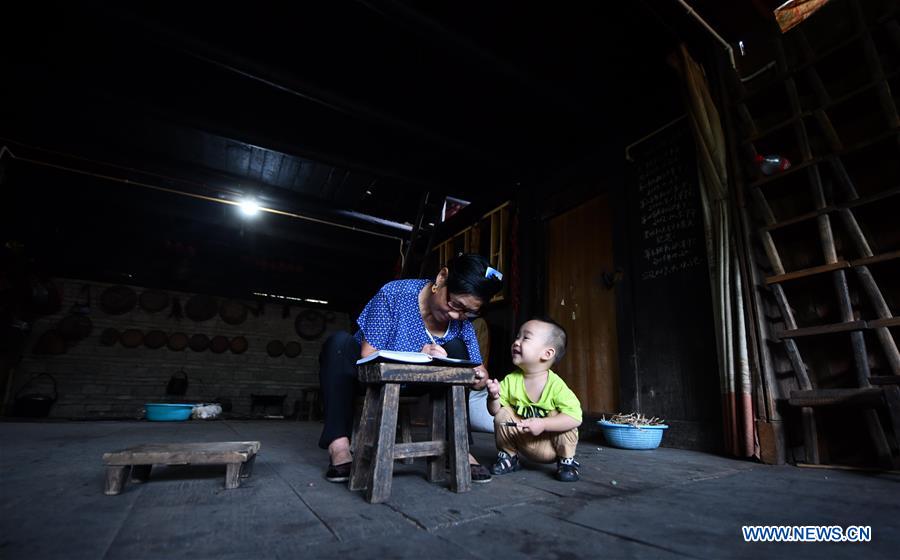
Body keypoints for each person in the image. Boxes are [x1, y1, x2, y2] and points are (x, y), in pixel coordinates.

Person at [319, 254, 503, 484]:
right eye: (454, 304)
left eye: (469, 312)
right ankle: (339, 448)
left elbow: (476, 372)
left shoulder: (461, 322)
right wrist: (418, 355)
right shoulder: (395, 294)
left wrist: (478, 377)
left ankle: (458, 447)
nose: (457, 315)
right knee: (338, 344)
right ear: (442, 277)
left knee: (456, 348)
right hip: (370, 378)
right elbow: (368, 356)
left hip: (420, 384)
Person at [484, 317, 583, 482]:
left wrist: (543, 424)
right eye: (517, 337)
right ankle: (508, 457)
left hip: (550, 445)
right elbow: (494, 412)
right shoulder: (510, 380)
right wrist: (493, 396)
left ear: (547, 353)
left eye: (526, 338)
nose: (516, 342)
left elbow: (576, 417)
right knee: (503, 413)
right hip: (523, 440)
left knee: (564, 419)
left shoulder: (556, 386)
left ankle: (566, 462)